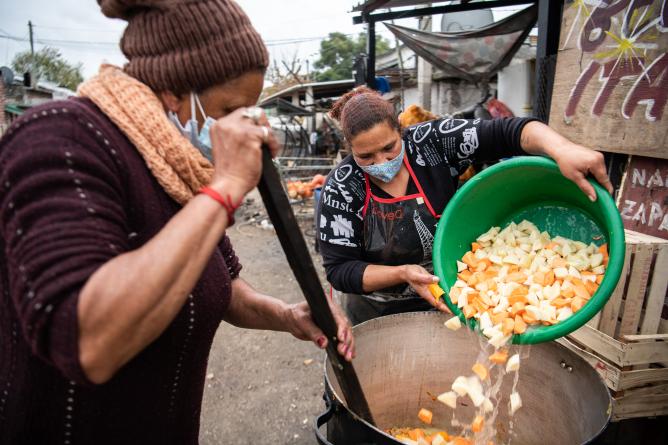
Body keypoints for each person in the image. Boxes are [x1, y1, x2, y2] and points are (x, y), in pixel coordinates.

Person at [0, 1, 354, 444]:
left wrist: (286, 315)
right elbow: (86, 341)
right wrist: (224, 188)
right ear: (173, 90)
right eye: (229, 110)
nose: (241, 126)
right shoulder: (61, 139)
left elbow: (219, 286)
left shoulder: (174, 164)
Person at [317, 87, 613, 325]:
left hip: (448, 290)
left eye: (389, 148)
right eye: (366, 156)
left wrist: (563, 149)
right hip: (376, 308)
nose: (382, 163)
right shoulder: (342, 188)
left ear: (401, 130)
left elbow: (511, 132)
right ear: (349, 148)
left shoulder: (432, 143)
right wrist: (402, 273)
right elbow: (341, 270)